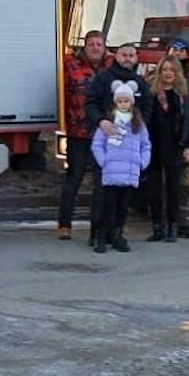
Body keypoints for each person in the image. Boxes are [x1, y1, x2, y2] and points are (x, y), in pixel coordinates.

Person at [143, 56, 189, 242]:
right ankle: (157, 227)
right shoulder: (151, 93)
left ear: (177, 73)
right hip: (153, 146)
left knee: (174, 189)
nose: (168, 73)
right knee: (154, 189)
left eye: (172, 70)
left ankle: (173, 228)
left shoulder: (185, 95)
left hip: (176, 146)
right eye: (165, 69)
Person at [57, 30, 109, 240]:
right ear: (85, 46)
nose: (95, 47)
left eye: (99, 44)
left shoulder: (111, 66)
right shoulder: (71, 65)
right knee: (74, 178)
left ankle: (97, 228)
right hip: (78, 132)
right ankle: (64, 224)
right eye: (91, 44)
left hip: (104, 133)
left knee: (101, 182)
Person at [89, 80, 150, 254]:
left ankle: (118, 235)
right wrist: (105, 161)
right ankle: (101, 237)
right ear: (115, 102)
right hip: (111, 172)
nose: (124, 104)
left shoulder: (138, 124)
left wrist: (142, 162)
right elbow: (97, 145)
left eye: (127, 101)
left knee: (123, 207)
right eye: (120, 101)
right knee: (108, 206)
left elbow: (146, 145)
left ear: (132, 102)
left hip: (129, 172)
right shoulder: (109, 123)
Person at [85, 42, 150, 139]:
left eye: (131, 56)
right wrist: (100, 120)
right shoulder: (102, 78)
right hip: (105, 133)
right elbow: (91, 103)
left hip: (133, 135)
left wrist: (140, 123)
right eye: (124, 55)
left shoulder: (141, 82)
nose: (127, 58)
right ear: (116, 57)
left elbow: (148, 105)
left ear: (136, 59)